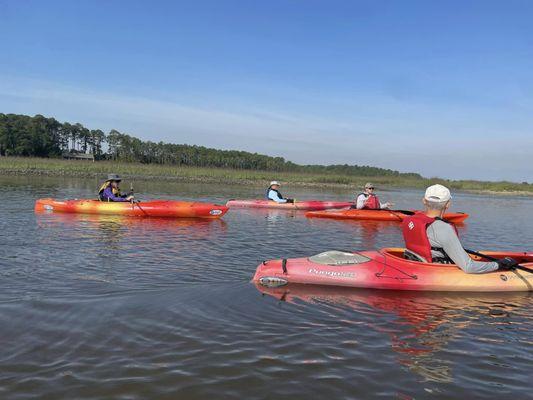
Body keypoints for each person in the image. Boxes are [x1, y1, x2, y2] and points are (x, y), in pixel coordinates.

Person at [402, 184, 517, 273]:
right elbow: (468, 267)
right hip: (435, 271)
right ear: (448, 204)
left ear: (424, 201)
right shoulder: (443, 228)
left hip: (415, 263)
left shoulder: (411, 219)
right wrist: (500, 264)